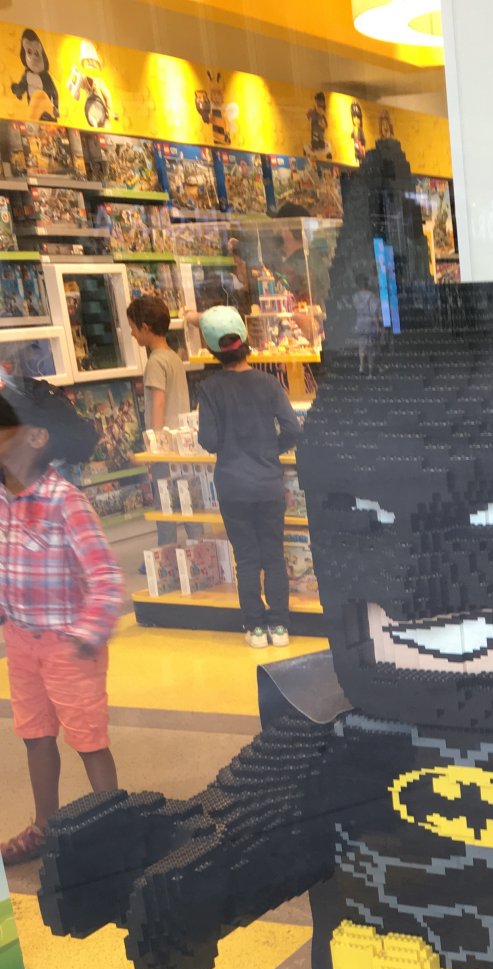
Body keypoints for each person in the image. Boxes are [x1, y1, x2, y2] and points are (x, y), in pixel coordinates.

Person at [0, 375, 123, 866]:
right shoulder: (3, 500)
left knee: (88, 739)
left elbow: (105, 576)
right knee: (34, 734)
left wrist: (86, 635)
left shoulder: (64, 501)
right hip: (21, 642)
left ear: (36, 437)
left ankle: (116, 831)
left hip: (69, 644)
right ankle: (44, 826)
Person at [196, 306, 301, 649]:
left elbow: (209, 440)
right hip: (268, 483)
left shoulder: (210, 388)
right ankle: (280, 627)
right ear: (245, 340)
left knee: (246, 559)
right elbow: (292, 428)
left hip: (232, 484)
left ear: (212, 349)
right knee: (273, 555)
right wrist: (272, 450)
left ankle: (255, 628)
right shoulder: (269, 383)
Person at [127, 294, 191, 546]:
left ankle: (166, 554)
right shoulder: (173, 357)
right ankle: (199, 547)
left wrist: (153, 448)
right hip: (182, 444)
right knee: (189, 503)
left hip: (165, 447)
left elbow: (158, 403)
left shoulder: (155, 362)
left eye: (133, 328)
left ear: (145, 327)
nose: (132, 334)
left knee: (165, 506)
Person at [352, 272, 382, 374]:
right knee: (371, 346)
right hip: (370, 323)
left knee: (361, 345)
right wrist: (378, 326)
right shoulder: (371, 296)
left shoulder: (355, 296)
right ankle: (370, 368)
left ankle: (361, 366)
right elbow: (374, 312)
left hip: (360, 322)